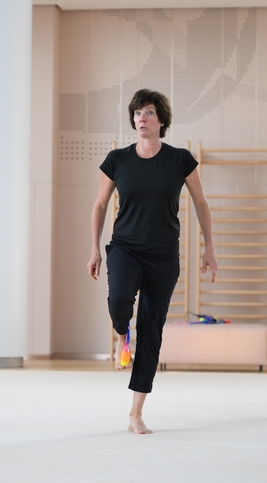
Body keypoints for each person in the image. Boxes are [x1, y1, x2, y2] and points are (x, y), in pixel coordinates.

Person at [86, 89, 217, 434]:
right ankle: (120, 334)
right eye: (137, 114)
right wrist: (95, 248)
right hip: (125, 248)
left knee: (152, 331)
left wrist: (209, 247)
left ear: (161, 121)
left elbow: (202, 204)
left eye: (148, 113)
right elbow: (100, 205)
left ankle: (135, 412)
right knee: (118, 302)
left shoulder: (179, 160)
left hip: (162, 255)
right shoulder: (117, 160)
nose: (141, 119)